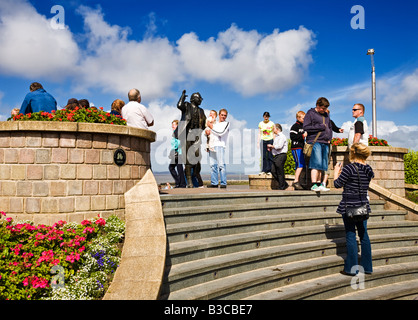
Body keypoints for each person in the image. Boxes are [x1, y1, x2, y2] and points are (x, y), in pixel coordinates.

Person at [333, 143, 374, 276]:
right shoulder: (368, 169)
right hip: (363, 206)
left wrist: (335, 173)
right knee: (364, 235)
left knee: (351, 234)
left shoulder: (349, 168)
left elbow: (337, 184)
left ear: (353, 153)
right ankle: (367, 267)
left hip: (350, 205)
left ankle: (351, 268)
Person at [177, 90, 207, 188]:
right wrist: (182, 97)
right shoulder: (187, 106)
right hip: (187, 133)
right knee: (188, 158)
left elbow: (203, 124)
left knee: (197, 157)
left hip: (196, 135)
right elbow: (179, 105)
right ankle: (189, 181)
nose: (200, 100)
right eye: (199, 98)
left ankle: (196, 175)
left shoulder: (201, 111)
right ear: (194, 99)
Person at [303, 97, 332, 191]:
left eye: (325, 109)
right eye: (322, 108)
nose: (324, 111)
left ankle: (319, 185)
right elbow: (306, 127)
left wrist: (329, 138)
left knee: (322, 165)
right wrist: (319, 127)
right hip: (315, 141)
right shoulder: (310, 113)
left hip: (325, 142)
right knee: (316, 163)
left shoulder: (326, 115)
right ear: (317, 106)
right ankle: (314, 184)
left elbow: (330, 127)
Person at [206, 109, 230, 188]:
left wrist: (211, 127)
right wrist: (207, 134)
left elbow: (221, 133)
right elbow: (210, 134)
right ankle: (214, 183)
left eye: (225, 115)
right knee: (213, 165)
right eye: (222, 115)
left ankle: (223, 183)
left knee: (221, 165)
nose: (223, 116)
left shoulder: (226, 124)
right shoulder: (215, 123)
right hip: (212, 146)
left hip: (220, 146)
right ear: (219, 115)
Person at [267, 123, 288, 190]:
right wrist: (271, 148)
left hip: (281, 155)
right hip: (276, 156)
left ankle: (282, 186)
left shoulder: (282, 136)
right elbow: (276, 147)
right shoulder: (276, 137)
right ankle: (284, 183)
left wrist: (271, 146)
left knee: (280, 171)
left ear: (277, 129)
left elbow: (279, 146)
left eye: (273, 128)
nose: (272, 130)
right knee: (273, 170)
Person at [289, 111, 307, 190]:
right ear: (298, 118)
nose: (304, 119)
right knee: (300, 164)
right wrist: (303, 136)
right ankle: (295, 181)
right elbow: (292, 137)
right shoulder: (294, 126)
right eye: (303, 118)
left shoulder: (304, 126)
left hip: (301, 147)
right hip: (296, 147)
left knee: (300, 164)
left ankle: (298, 181)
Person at [168, 120, 186, 188]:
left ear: (177, 125)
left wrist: (174, 149)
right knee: (173, 168)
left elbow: (178, 142)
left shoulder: (179, 132)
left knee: (178, 168)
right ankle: (180, 183)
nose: (172, 126)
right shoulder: (174, 133)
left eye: (174, 124)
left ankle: (181, 184)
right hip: (175, 153)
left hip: (179, 152)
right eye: (172, 125)